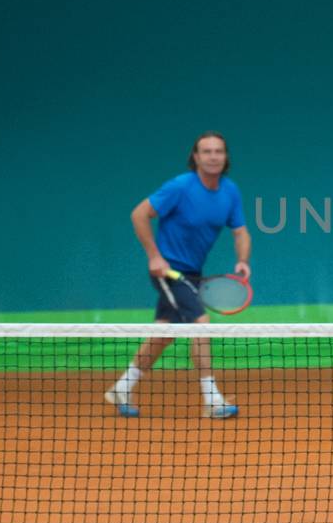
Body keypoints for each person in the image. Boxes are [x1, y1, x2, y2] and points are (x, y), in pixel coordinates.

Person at [105, 132, 253, 420]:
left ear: (225, 158)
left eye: (218, 151)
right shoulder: (180, 187)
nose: (213, 156)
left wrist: (242, 261)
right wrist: (154, 256)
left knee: (163, 334)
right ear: (195, 157)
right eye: (206, 151)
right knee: (201, 323)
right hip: (169, 270)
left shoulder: (230, 191)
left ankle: (123, 387)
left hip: (193, 273)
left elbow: (241, 232)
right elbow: (139, 214)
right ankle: (212, 400)